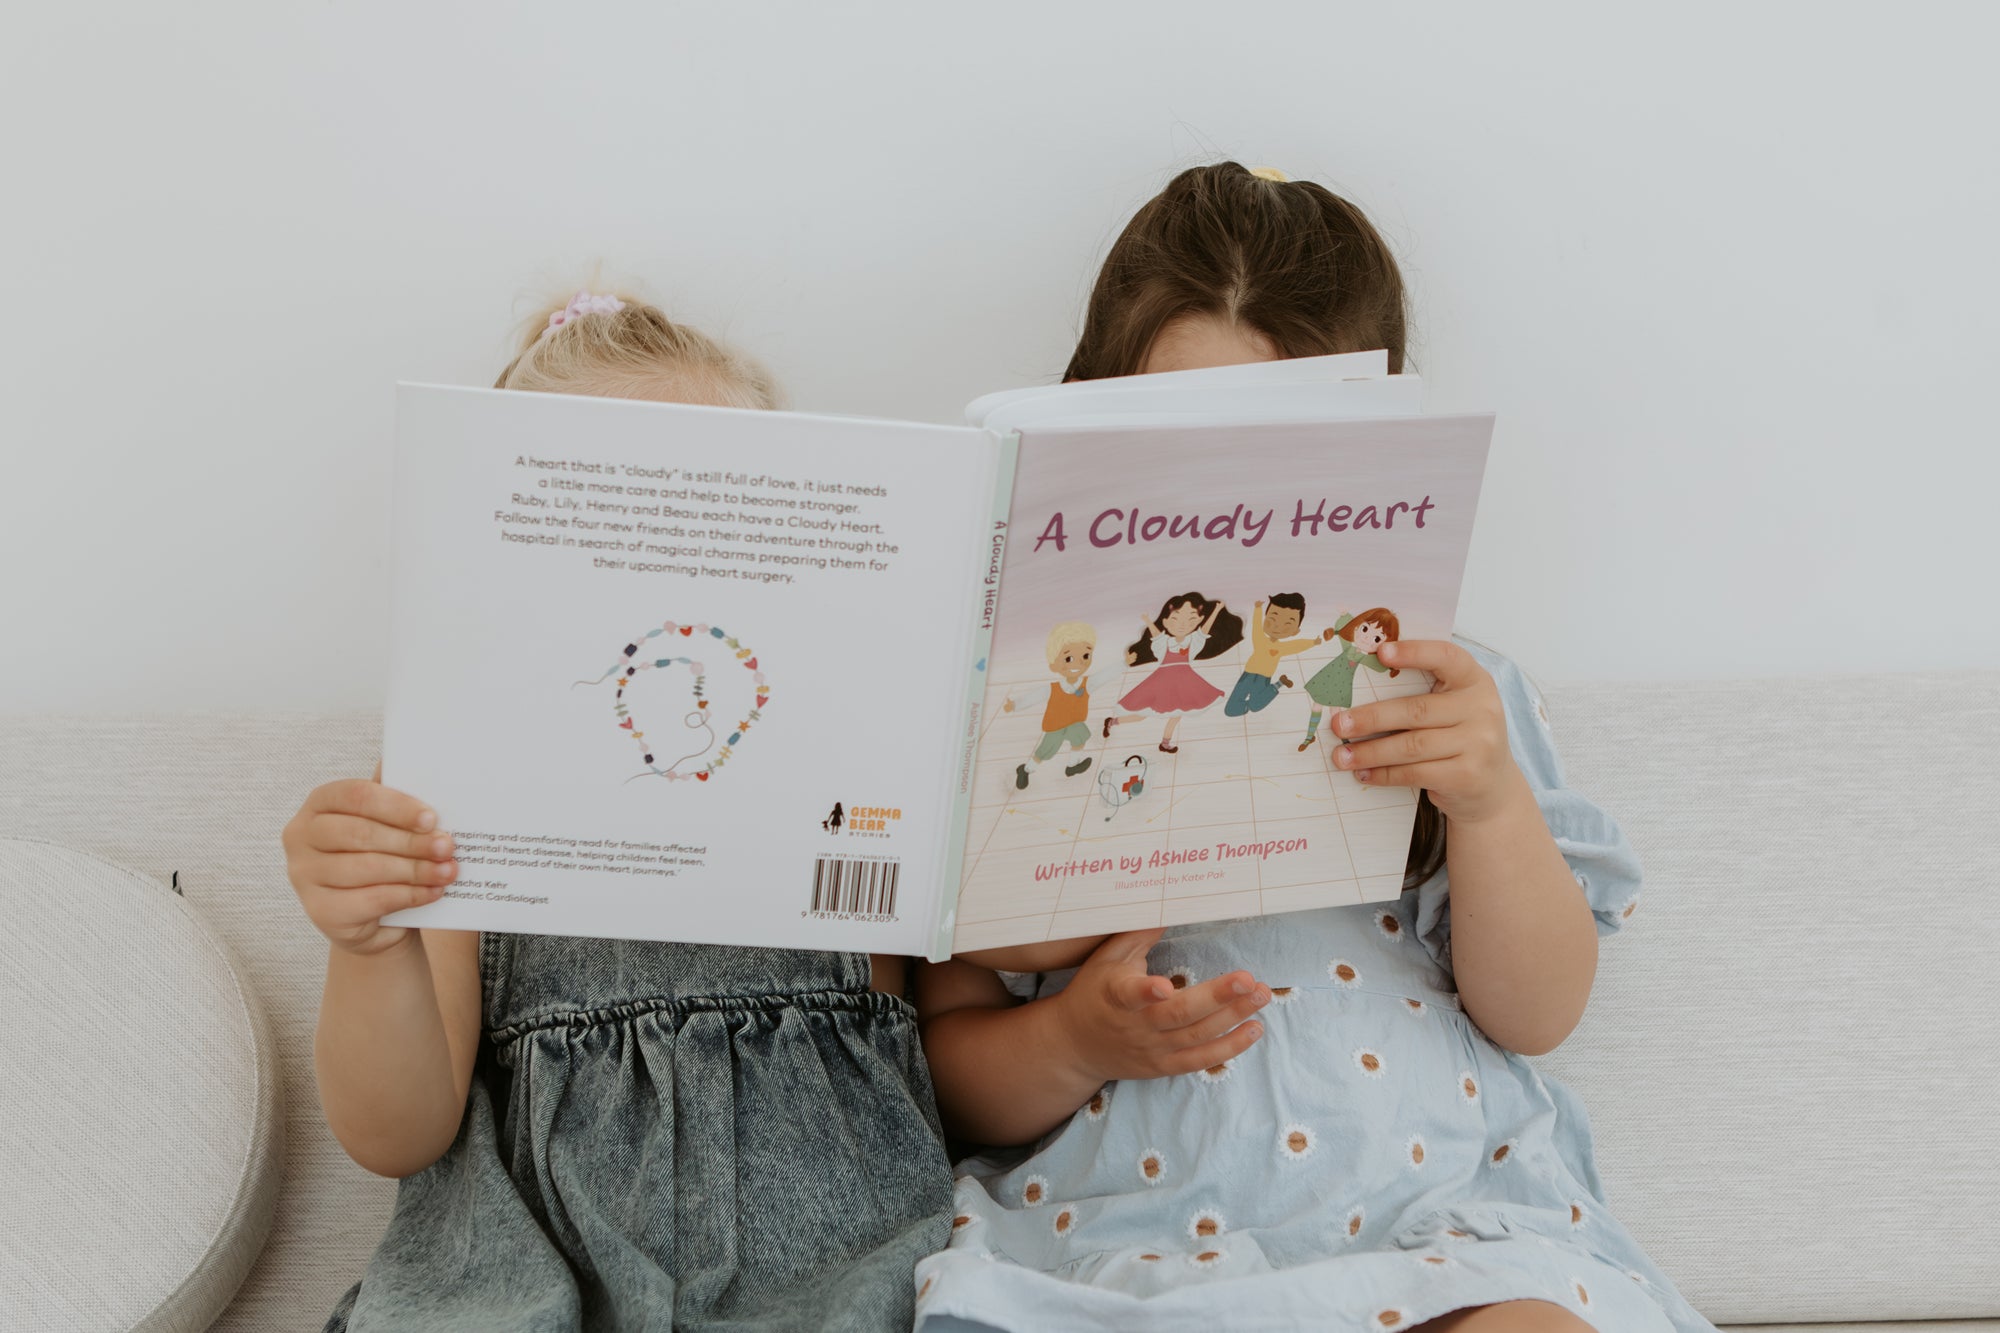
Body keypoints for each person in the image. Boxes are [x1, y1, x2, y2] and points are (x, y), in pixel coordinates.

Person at [913, 164, 1717, 1332]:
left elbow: (1537, 1013)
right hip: (1125, 1240)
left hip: (1438, 1221)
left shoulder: (1444, 688)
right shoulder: (1016, 702)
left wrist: (1488, 805)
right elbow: (954, 1079)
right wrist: (1074, 1037)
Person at [286, 286, 951, 1333]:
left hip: (838, 1269)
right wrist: (368, 943)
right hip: (530, 1281)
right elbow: (396, 1133)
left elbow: (919, 1054)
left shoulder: (851, 746)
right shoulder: (455, 770)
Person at [1223, 592, 1317, 716]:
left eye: (1288, 624)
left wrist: (1313, 642)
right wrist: (1258, 609)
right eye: (1272, 619)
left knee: (1255, 707)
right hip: (1249, 673)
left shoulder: (1281, 647)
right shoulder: (1260, 639)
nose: (1277, 626)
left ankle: (1278, 684)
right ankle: (1277, 685)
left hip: (1263, 678)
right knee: (1230, 710)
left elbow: (1297, 645)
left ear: (1295, 631)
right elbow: (1256, 627)